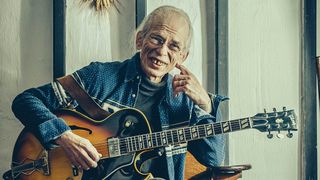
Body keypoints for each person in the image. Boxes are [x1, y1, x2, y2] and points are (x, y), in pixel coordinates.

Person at [12, 5, 226, 180]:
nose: (162, 51)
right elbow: (26, 100)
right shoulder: (100, 76)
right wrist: (65, 137)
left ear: (182, 57)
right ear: (140, 40)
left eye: (173, 46)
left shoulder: (184, 102)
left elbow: (214, 159)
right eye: (157, 39)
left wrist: (206, 105)